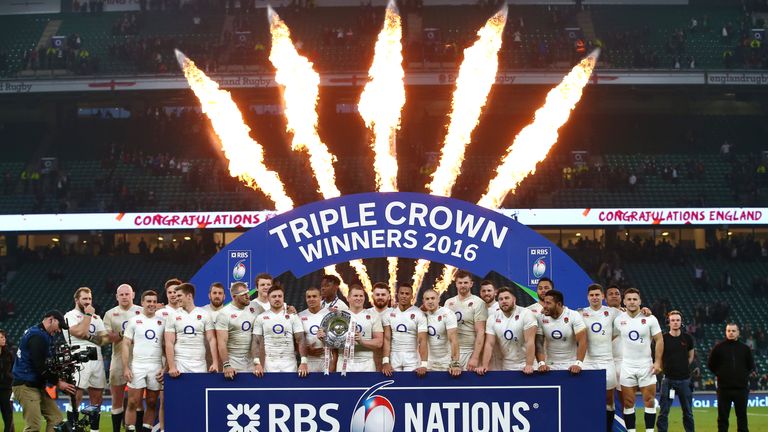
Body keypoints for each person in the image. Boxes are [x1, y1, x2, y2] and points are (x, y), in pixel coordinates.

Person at [12, 311, 76, 432]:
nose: (59, 331)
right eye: (59, 326)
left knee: (56, 419)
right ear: (51, 320)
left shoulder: (40, 334)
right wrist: (58, 382)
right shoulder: (38, 336)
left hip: (36, 385)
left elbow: (46, 364)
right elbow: (40, 366)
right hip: (26, 385)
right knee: (33, 427)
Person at [614, 288, 663, 432]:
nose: (632, 302)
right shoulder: (619, 320)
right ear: (624, 301)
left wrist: (658, 362)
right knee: (628, 403)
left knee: (649, 401)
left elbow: (659, 340)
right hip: (627, 366)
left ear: (640, 301)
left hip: (646, 366)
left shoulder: (650, 318)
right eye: (629, 299)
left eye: (635, 299)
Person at [64, 287, 110, 432]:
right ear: (77, 300)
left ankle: (94, 430)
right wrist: (88, 316)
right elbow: (80, 331)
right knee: (75, 397)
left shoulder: (97, 318)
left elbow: (104, 340)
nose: (88, 302)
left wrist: (90, 337)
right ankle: (72, 428)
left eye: (89, 299)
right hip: (78, 357)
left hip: (96, 358)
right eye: (84, 298)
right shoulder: (69, 316)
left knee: (97, 399)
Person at [579, 284, 621, 431]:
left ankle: (608, 429)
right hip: (587, 361)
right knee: (587, 398)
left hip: (606, 361)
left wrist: (644, 311)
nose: (594, 297)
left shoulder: (613, 312)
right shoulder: (580, 313)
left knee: (609, 400)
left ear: (603, 296)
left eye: (597, 295)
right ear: (587, 297)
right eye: (592, 295)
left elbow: (630, 317)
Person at [122, 290, 165, 432]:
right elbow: (126, 344)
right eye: (148, 301)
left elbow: (167, 346)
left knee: (152, 402)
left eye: (154, 301)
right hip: (138, 365)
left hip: (156, 366)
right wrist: (126, 367)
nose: (151, 304)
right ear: (142, 303)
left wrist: (165, 367)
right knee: (133, 402)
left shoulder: (162, 322)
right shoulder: (134, 321)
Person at [103, 283, 143, 432]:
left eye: (127, 294)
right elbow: (106, 337)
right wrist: (124, 334)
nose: (125, 297)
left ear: (133, 295)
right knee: (116, 400)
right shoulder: (110, 313)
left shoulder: (141, 311)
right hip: (118, 359)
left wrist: (118, 334)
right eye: (122, 294)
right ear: (117, 297)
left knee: (137, 401)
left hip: (138, 360)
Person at [476, 286, 537, 375]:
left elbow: (530, 342)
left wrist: (529, 364)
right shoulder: (492, 318)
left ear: (514, 299)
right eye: (500, 299)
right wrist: (485, 365)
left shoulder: (526, 314)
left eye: (507, 298)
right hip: (507, 366)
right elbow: (489, 344)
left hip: (527, 365)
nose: (503, 301)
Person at [708, 322, 756, 432]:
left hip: (741, 389)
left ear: (738, 333)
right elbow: (711, 364)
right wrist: (720, 373)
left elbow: (750, 365)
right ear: (725, 332)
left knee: (742, 417)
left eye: (733, 331)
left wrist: (742, 376)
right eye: (729, 331)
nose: (731, 333)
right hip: (724, 389)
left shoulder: (745, 349)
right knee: (723, 418)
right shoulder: (718, 348)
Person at [252, 285, 308, 376]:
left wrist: (304, 362)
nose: (277, 299)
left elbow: (301, 339)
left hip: (289, 363)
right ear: (268, 299)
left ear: (283, 298)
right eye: (274, 296)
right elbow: (256, 341)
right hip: (270, 363)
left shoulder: (293, 316)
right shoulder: (261, 317)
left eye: (280, 296)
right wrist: (257, 363)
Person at [164, 283, 219, 376]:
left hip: (199, 363)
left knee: (199, 390)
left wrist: (215, 363)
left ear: (189, 296)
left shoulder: (205, 314)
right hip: (180, 363)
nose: (176, 298)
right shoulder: (172, 316)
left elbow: (211, 339)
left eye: (179, 295)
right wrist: (172, 366)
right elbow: (169, 342)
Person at [657, 310, 695, 432]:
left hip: (684, 380)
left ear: (681, 322)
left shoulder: (688, 338)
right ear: (669, 322)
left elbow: (691, 356)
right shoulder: (663, 339)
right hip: (668, 380)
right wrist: (666, 369)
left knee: (688, 412)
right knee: (663, 412)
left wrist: (683, 367)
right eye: (673, 320)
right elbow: (659, 357)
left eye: (677, 320)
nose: (675, 322)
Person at [330, 284, 382, 373]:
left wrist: (362, 341)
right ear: (348, 298)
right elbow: (331, 342)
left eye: (361, 296)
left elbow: (379, 343)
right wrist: (344, 340)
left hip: (367, 362)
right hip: (344, 361)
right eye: (355, 296)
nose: (359, 298)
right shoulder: (339, 316)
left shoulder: (373, 316)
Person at [216, 282, 262, 379]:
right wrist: (227, 365)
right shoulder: (224, 314)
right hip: (233, 363)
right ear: (234, 296)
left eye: (248, 293)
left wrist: (287, 309)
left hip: (252, 362)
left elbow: (270, 315)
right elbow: (221, 343)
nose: (248, 296)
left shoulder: (255, 306)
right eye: (243, 294)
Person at [381, 283, 428, 376]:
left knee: (410, 386)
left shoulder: (419, 314)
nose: (404, 296)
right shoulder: (388, 313)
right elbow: (387, 339)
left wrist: (424, 364)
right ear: (397, 295)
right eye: (402, 293)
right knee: (394, 386)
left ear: (412, 296)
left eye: (407, 294)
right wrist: (385, 362)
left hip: (412, 356)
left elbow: (423, 340)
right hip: (394, 355)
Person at [535, 289, 587, 373]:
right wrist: (541, 363)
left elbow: (582, 341)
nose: (544, 306)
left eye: (548, 303)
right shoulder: (541, 317)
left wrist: (578, 363)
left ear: (558, 304)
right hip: (549, 365)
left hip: (571, 365)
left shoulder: (573, 315)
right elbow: (538, 343)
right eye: (544, 302)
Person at [445, 270, 487, 371]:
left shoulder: (478, 303)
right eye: (460, 283)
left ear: (471, 284)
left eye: (465, 282)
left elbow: (481, 332)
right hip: (450, 351)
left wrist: (475, 357)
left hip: (469, 351)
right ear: (456, 284)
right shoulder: (448, 302)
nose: (463, 285)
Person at [422, 289, 460, 375]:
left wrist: (455, 363)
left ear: (438, 299)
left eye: (433, 298)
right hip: (428, 363)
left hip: (445, 362)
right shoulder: (421, 315)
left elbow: (453, 340)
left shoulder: (448, 314)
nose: (430, 301)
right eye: (427, 299)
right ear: (423, 301)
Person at [298, 287, 329, 373]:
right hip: (309, 360)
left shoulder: (329, 314)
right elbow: (296, 341)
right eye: (309, 297)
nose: (311, 299)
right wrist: (307, 350)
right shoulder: (300, 316)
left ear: (320, 298)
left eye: (314, 296)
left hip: (327, 359)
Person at [370, 282, 391, 370]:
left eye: (383, 294)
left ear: (389, 297)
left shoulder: (395, 313)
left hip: (391, 361)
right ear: (372, 296)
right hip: (370, 360)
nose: (380, 297)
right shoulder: (365, 313)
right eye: (377, 294)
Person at [0, 329, 14, 432]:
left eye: (4, 337)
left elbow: (14, 369)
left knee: (8, 417)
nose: (4, 339)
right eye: (1, 337)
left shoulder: (9, 353)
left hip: (6, 388)